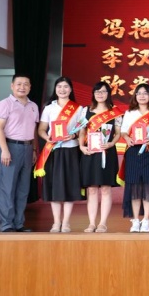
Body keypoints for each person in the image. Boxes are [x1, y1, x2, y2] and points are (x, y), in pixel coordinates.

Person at [36, 76, 85, 233]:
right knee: (54, 186)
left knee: (69, 185)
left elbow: (82, 130)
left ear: (70, 89)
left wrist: (74, 136)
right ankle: (56, 222)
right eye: (59, 86)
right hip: (53, 151)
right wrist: (47, 138)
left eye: (65, 87)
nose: (62, 90)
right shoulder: (49, 108)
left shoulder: (78, 109)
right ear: (55, 89)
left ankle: (66, 223)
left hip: (71, 150)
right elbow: (41, 129)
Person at [0, 74, 40, 232]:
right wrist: (4, 150)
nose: (22, 87)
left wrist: (34, 149)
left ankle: (19, 223)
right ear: (12, 86)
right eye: (19, 84)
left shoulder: (33, 106)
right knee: (7, 188)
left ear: (30, 87)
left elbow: (33, 129)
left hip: (28, 149)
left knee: (23, 189)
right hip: (10, 147)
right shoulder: (4, 104)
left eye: (26, 84)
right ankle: (6, 224)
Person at [78, 81, 123, 233]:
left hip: (107, 152)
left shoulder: (115, 112)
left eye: (103, 91)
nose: (100, 94)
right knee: (91, 189)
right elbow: (82, 131)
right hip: (90, 153)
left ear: (108, 94)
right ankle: (91, 223)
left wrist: (111, 144)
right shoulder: (86, 111)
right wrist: (81, 146)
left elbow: (118, 133)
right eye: (97, 91)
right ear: (93, 94)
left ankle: (103, 223)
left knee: (105, 188)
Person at [119, 83, 149, 232]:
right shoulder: (130, 113)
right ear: (135, 96)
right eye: (139, 93)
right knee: (134, 185)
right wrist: (127, 138)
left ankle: (145, 220)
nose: (142, 96)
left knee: (148, 184)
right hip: (133, 151)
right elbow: (124, 131)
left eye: (145, 93)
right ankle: (135, 220)